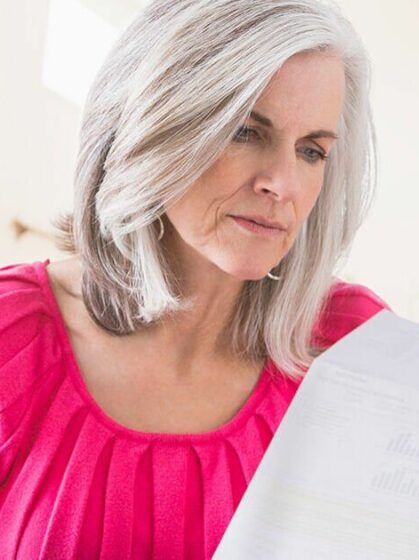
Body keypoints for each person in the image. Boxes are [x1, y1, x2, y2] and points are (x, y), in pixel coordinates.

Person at [0, 0, 393, 558]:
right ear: (152, 129)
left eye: (312, 151)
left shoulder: (355, 346)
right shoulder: (10, 334)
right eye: (245, 131)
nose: (281, 183)